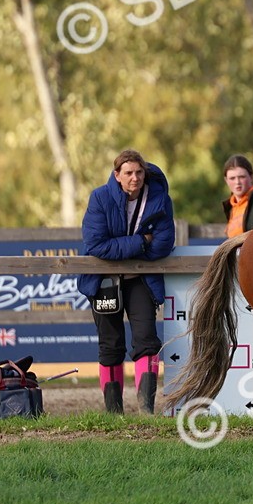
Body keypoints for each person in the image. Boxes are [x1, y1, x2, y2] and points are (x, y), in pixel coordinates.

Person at [78, 149, 175, 414]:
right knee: (110, 345)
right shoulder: (100, 197)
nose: (135, 178)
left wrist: (122, 249)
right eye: (129, 173)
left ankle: (146, 411)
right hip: (103, 280)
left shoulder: (160, 198)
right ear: (117, 175)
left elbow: (163, 245)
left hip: (141, 279)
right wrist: (141, 241)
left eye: (139, 172)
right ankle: (114, 415)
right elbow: (96, 245)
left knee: (147, 341)